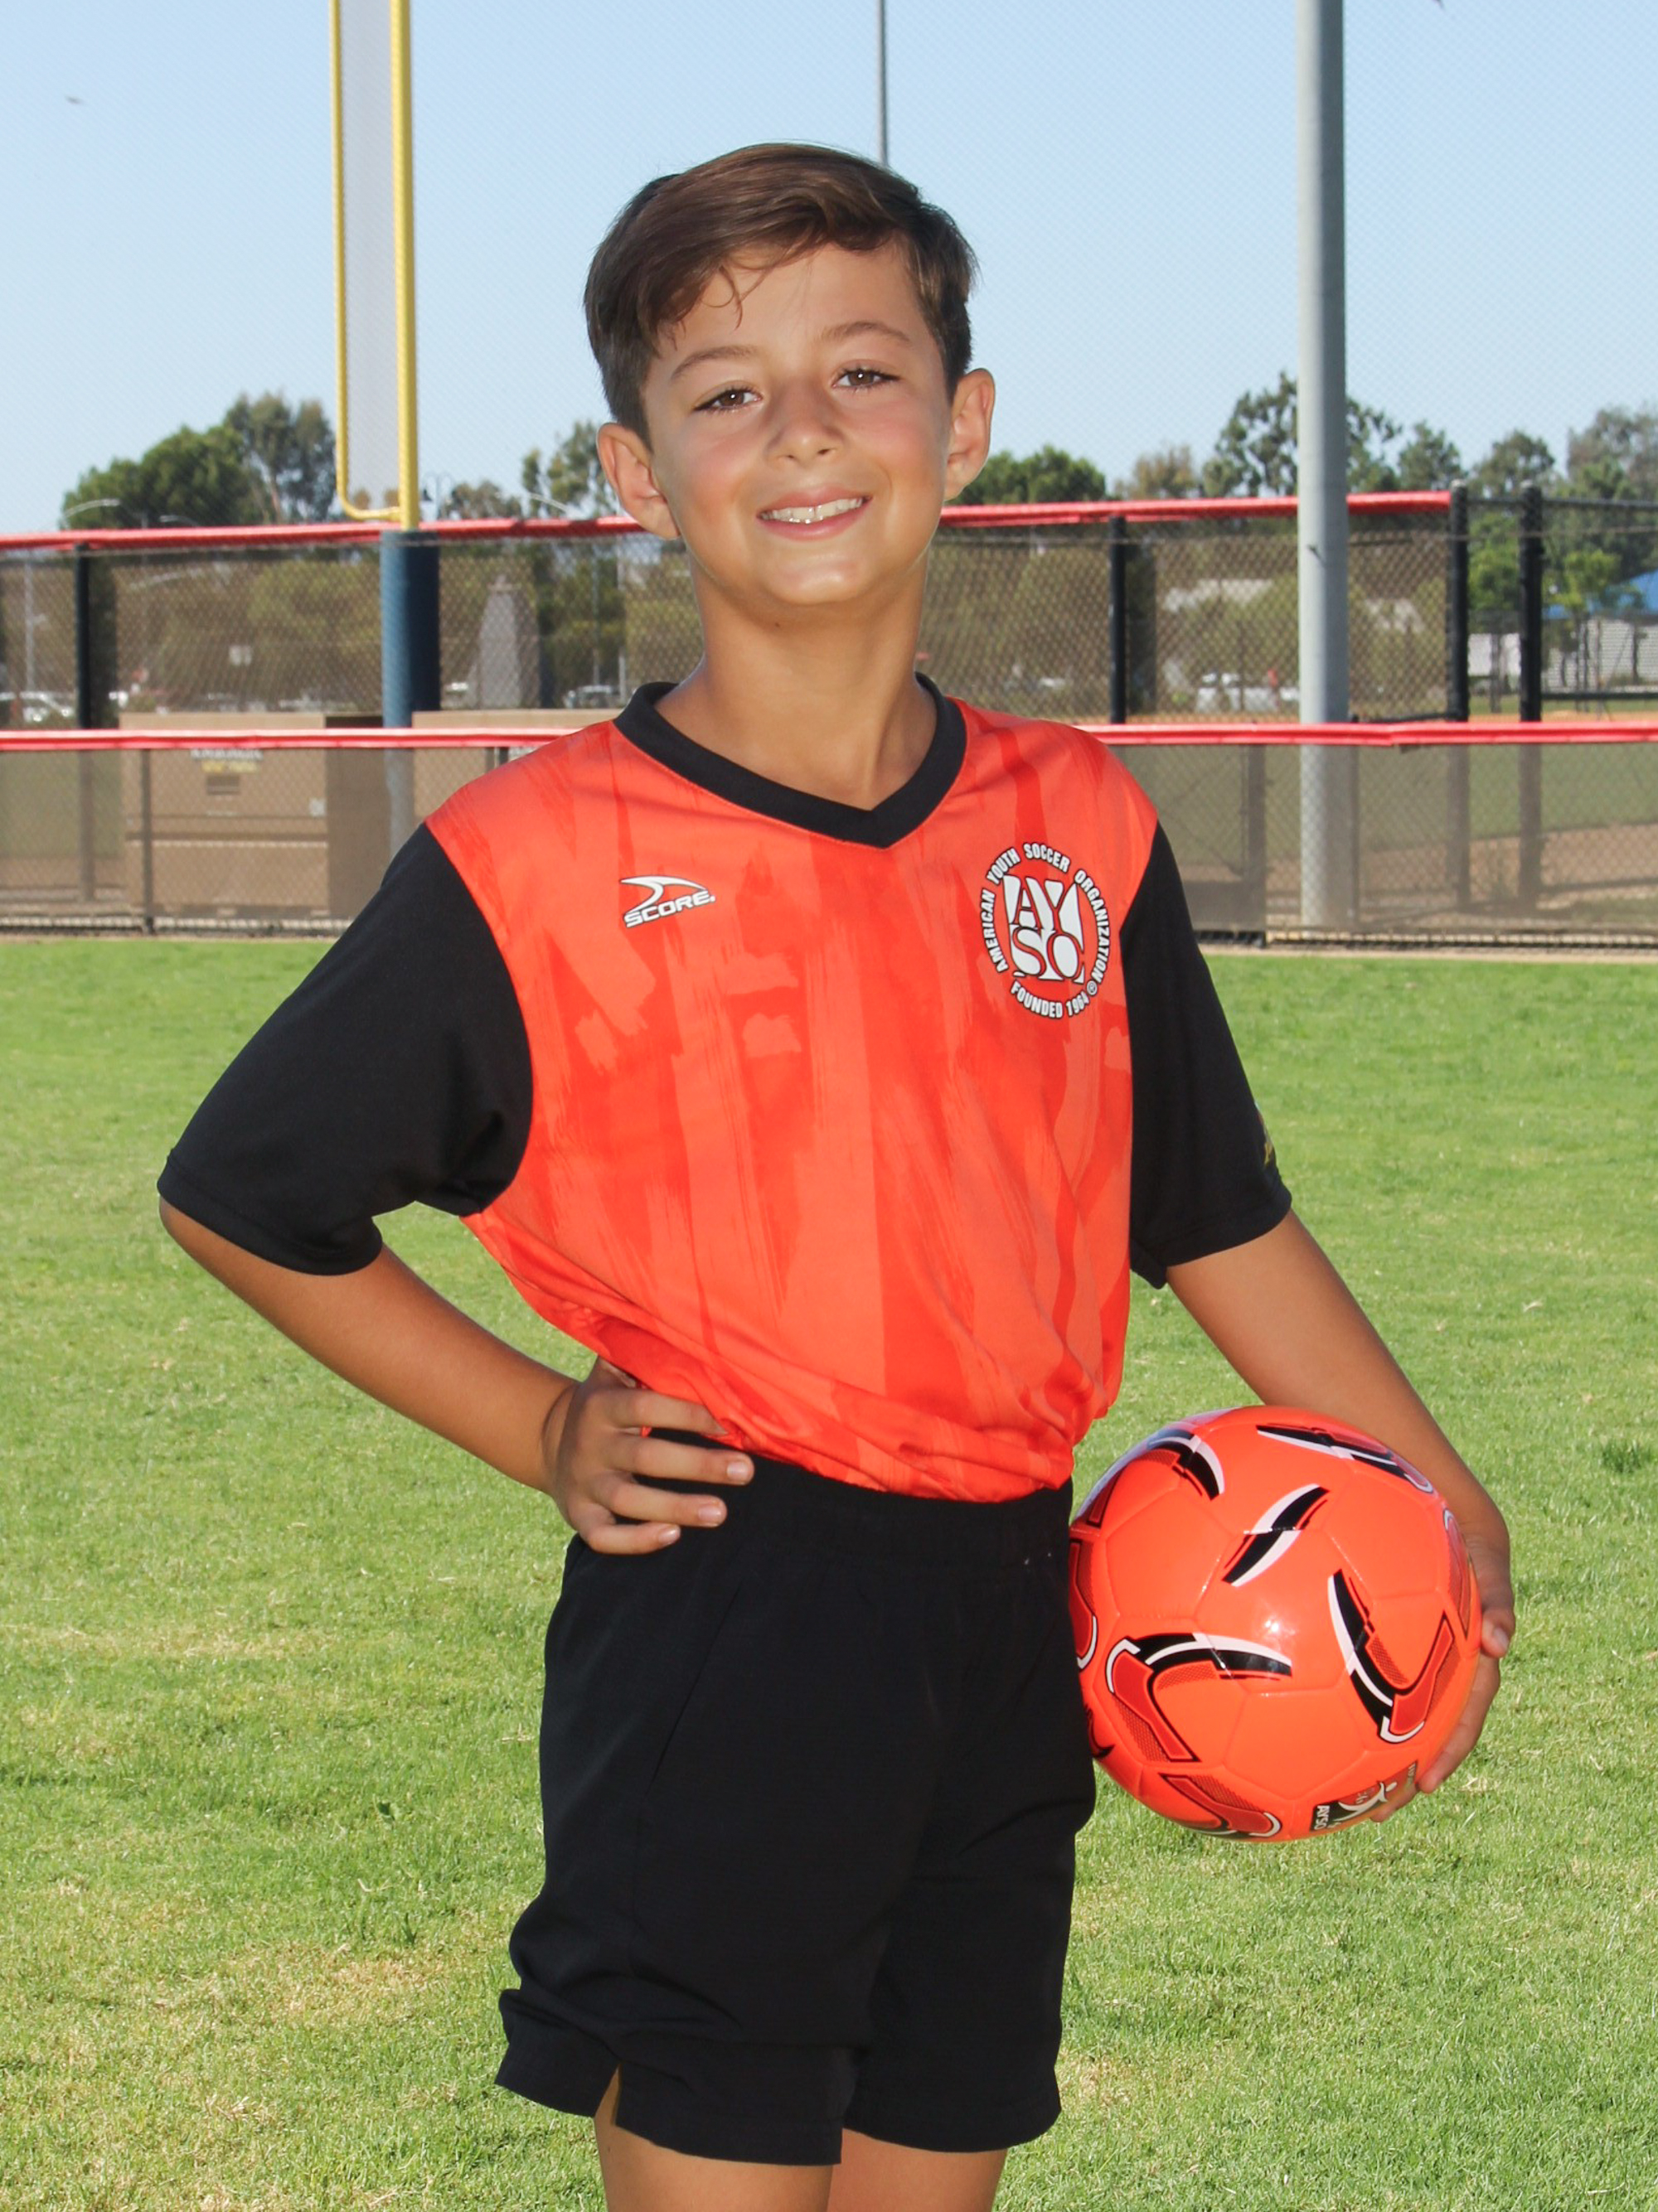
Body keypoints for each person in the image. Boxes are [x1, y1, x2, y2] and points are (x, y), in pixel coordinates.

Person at [157, 143, 1514, 2212]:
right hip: (733, 1609)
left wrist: (1431, 1485)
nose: (802, 429)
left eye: (862, 371)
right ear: (639, 471)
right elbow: (244, 1189)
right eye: (729, 391)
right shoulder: (539, 858)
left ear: (960, 426)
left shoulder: (1077, 825)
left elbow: (1210, 1209)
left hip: (1014, 1601)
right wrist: (540, 1423)